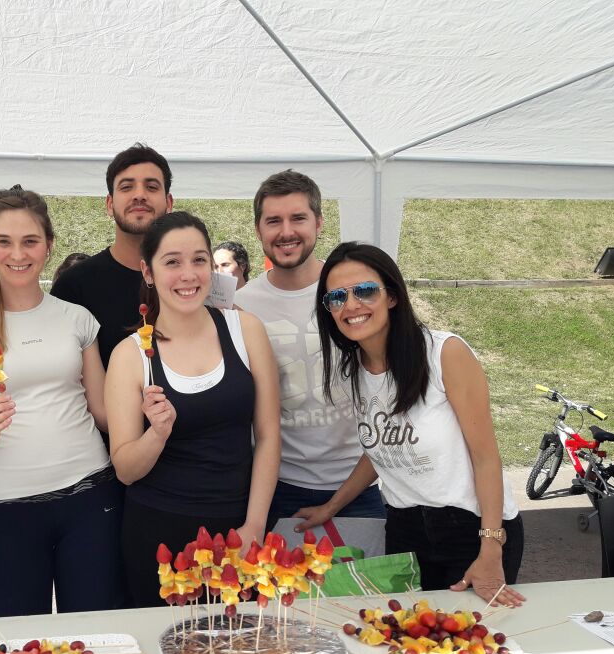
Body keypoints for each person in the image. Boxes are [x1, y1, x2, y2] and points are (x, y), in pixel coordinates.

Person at [311, 241, 525, 607]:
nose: (351, 306)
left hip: (470, 527)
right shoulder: (354, 372)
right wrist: (332, 506)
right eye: (336, 297)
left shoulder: (445, 353)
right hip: (405, 527)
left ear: (392, 296)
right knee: (411, 641)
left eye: (364, 291)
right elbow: (380, 450)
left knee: (470, 648)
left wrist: (491, 546)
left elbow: (486, 458)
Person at [0, 186, 123, 616]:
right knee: (20, 638)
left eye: (30, 241)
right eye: (3, 241)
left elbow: (102, 413)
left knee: (93, 630)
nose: (17, 254)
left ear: (48, 245)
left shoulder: (77, 319)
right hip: (8, 508)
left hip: (89, 496)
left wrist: (153, 413)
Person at [106, 211, 280, 608]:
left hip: (239, 529)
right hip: (159, 536)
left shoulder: (245, 329)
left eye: (199, 260)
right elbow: (126, 469)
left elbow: (269, 434)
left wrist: (254, 524)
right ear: (147, 272)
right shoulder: (130, 356)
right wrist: (157, 434)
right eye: (172, 262)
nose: (188, 274)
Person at [235, 170, 386, 534]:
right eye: (274, 221)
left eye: (298, 218)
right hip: (278, 484)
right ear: (259, 230)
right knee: (283, 592)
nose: (286, 231)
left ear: (318, 222)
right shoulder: (240, 305)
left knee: (364, 591)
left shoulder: (350, 293)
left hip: (359, 481)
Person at [50, 143, 173, 368]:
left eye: (152, 187)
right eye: (127, 187)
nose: (139, 195)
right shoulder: (73, 286)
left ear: (169, 203)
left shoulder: (189, 283)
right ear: (109, 204)